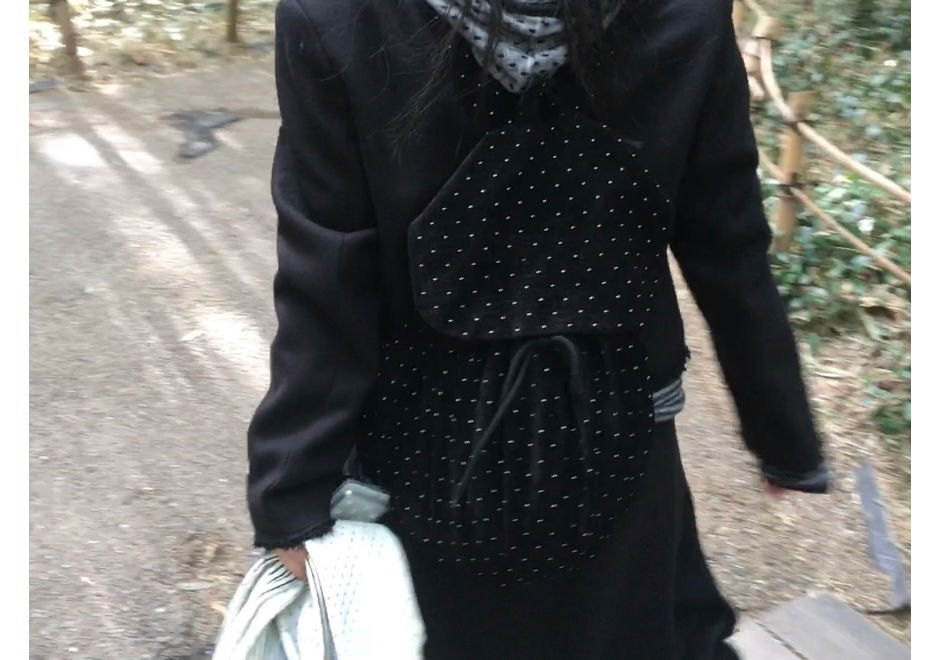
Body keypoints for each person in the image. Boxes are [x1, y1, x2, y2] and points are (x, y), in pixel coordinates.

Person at [246, 0, 829, 657]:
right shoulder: (684, 13)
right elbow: (727, 240)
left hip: (422, 442)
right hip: (620, 432)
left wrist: (293, 492)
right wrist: (783, 433)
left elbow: (328, 277)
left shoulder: (335, 16)